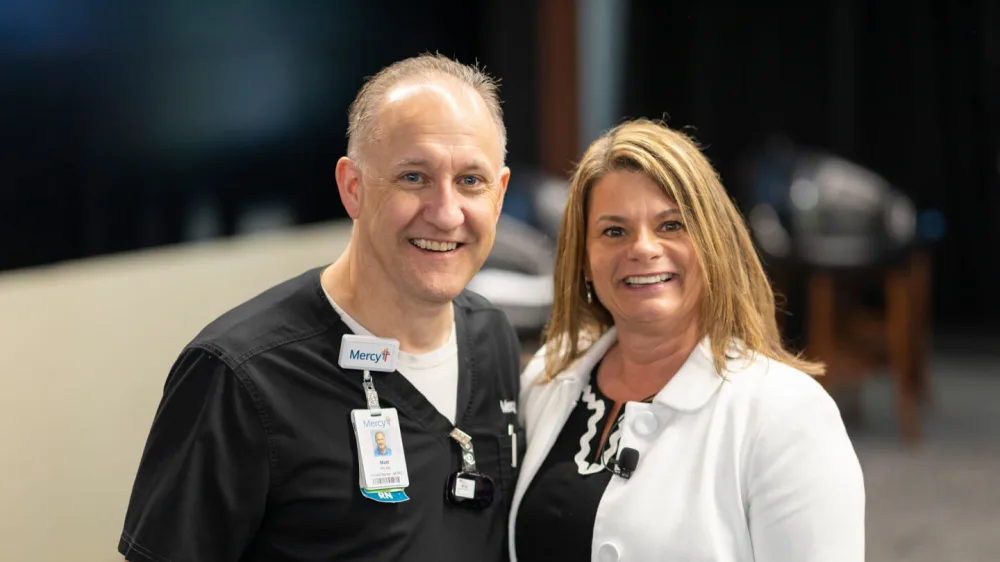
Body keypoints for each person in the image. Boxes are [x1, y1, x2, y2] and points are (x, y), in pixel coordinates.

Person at [118, 53, 524, 562]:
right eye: (413, 177)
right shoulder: (241, 377)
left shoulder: (493, 339)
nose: (445, 213)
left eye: (470, 181)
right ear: (353, 188)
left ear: (499, 195)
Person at [509, 119, 865, 562]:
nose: (643, 248)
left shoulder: (788, 415)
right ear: (583, 259)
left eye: (671, 225)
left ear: (712, 244)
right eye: (614, 231)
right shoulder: (547, 377)